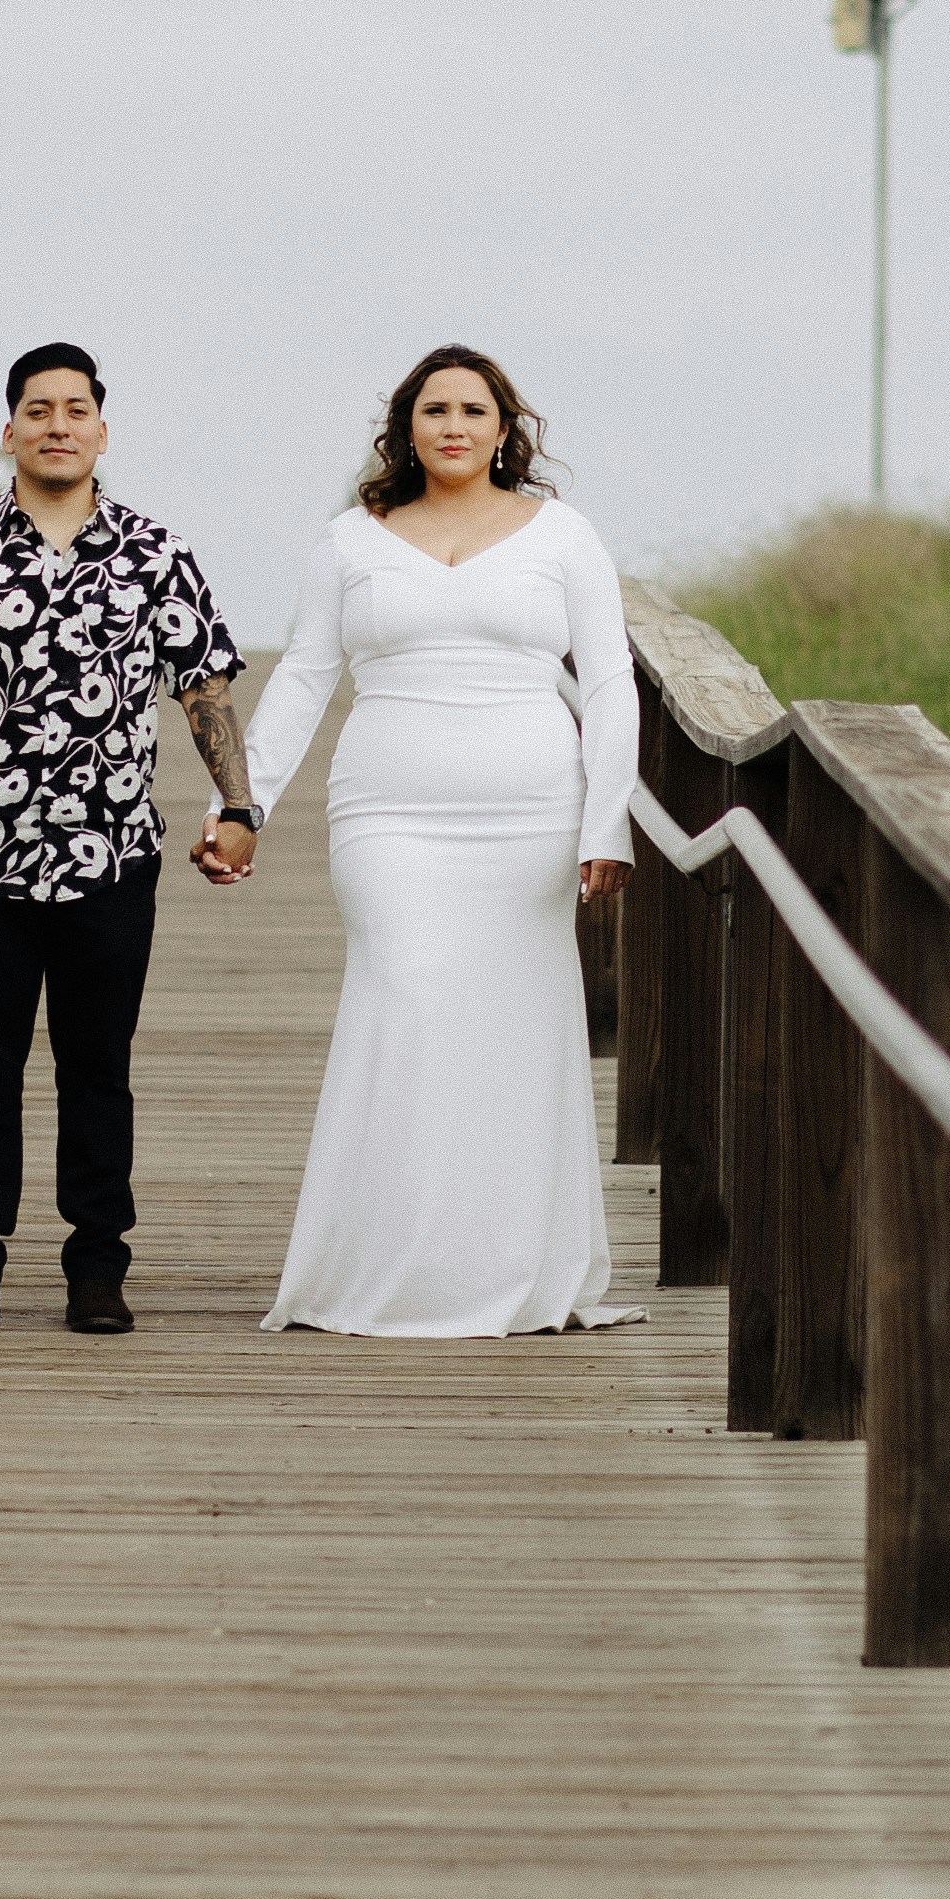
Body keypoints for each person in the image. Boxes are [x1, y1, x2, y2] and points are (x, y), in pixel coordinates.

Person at [214, 345, 639, 1335]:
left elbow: (611, 681)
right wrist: (246, 803)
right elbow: (307, 675)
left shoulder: (563, 536)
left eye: (473, 409)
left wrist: (604, 815)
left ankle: (502, 1265)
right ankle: (391, 1263)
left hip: (530, 809)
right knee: (405, 997)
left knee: (513, 1025)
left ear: (505, 428)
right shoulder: (351, 542)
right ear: (407, 426)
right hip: (388, 811)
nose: (453, 424)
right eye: (434, 408)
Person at [0, 342, 252, 1337]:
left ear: (100, 428)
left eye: (75, 407)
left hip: (110, 854)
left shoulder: (155, 552)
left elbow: (203, 683)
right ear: (9, 431)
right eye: (37, 408)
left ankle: (97, 1263)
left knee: (98, 1065)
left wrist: (239, 803)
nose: (56, 423)